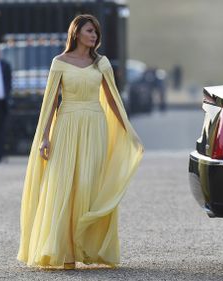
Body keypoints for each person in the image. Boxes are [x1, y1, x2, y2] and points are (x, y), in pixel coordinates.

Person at [17, 14, 143, 269]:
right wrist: (44, 137)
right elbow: (50, 101)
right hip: (66, 126)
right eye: (89, 30)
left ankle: (87, 247)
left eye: (96, 31)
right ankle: (65, 254)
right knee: (64, 185)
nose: (94, 35)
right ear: (76, 33)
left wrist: (128, 131)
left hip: (95, 126)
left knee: (88, 184)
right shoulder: (59, 62)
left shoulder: (102, 63)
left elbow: (113, 100)